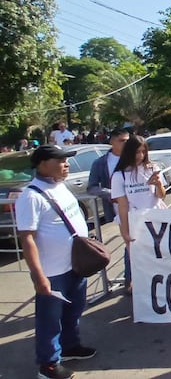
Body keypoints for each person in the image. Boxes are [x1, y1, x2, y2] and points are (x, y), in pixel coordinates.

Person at [15, 145, 97, 379]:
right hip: (52, 271)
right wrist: (38, 275)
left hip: (75, 265)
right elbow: (27, 238)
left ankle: (70, 346)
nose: (66, 164)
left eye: (66, 159)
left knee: (74, 311)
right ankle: (48, 365)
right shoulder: (30, 196)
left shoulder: (59, 187)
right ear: (42, 164)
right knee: (49, 320)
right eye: (60, 160)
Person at [110, 135, 167, 293]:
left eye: (143, 152)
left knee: (159, 255)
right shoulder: (119, 175)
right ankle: (138, 289)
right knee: (137, 258)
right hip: (135, 221)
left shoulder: (152, 168)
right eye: (136, 152)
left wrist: (158, 184)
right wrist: (125, 232)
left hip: (156, 218)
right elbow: (122, 205)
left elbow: (161, 195)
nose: (140, 156)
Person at [87, 128, 129, 224]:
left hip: (137, 208)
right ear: (111, 141)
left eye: (127, 141)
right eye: (122, 140)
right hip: (116, 210)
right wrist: (112, 194)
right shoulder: (100, 163)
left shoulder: (136, 159)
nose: (125, 143)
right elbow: (92, 187)